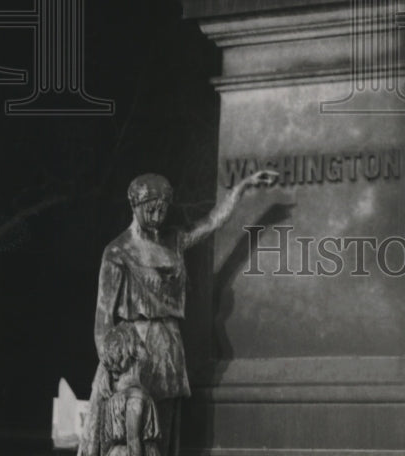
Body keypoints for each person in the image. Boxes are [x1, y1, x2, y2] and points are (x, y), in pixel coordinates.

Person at [79, 170, 275, 456]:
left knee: (163, 431)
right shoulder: (118, 252)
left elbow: (212, 223)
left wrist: (241, 189)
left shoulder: (174, 240)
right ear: (135, 205)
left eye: (163, 207)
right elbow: (103, 318)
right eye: (152, 208)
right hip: (134, 348)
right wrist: (110, 366)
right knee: (134, 426)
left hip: (168, 344)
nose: (159, 214)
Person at [100, 323, 161, 456]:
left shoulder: (115, 397)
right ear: (131, 352)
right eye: (140, 342)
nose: (145, 346)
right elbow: (133, 441)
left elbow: (105, 442)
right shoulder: (135, 397)